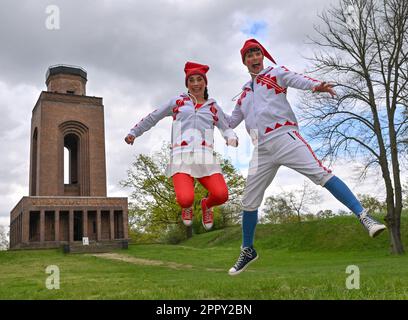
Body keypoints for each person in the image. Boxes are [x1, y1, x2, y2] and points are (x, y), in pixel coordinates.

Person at [226, 39, 387, 276]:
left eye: (256, 52)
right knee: (249, 201)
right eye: (248, 55)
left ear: (262, 56)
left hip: (284, 136)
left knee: (321, 174)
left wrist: (316, 86)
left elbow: (297, 78)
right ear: (244, 62)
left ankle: (364, 217)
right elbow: (230, 122)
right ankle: (247, 249)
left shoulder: (275, 73)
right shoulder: (243, 95)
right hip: (261, 149)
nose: (253, 57)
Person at [125, 61, 238, 231]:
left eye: (199, 79)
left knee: (221, 195)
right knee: (185, 199)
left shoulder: (213, 107)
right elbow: (153, 116)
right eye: (191, 80)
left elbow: (226, 127)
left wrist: (231, 137)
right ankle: (187, 206)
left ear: (205, 82)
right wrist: (134, 132)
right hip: (181, 157)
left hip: (205, 157)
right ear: (187, 84)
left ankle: (207, 205)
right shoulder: (178, 102)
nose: (195, 84)